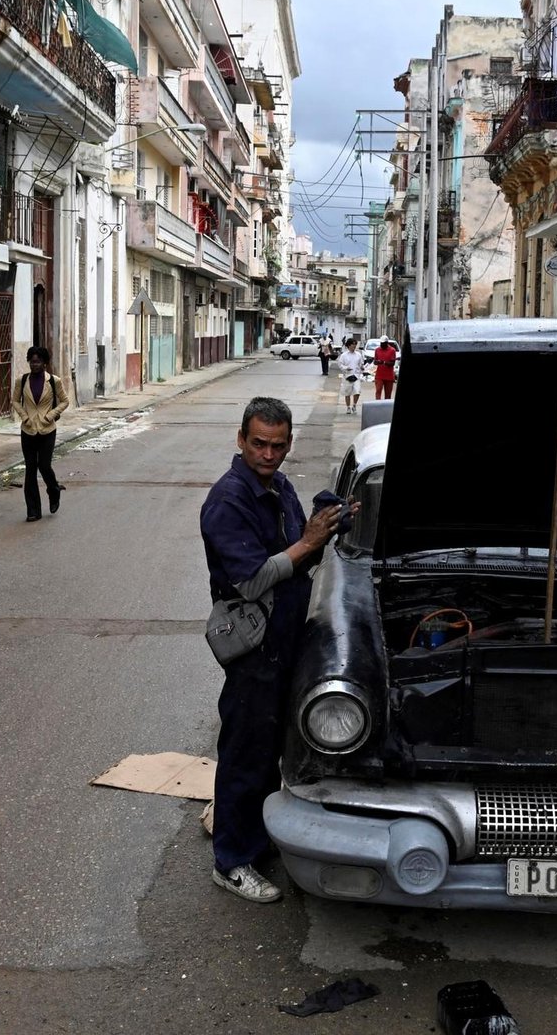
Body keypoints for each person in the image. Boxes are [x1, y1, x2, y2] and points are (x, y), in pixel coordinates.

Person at [199, 397, 344, 903]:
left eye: (278, 446)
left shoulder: (278, 487)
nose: (268, 454)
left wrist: (327, 525)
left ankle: (256, 839)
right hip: (253, 644)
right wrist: (308, 543)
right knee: (245, 752)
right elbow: (252, 579)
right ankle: (231, 861)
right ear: (241, 439)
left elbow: (300, 552)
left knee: (270, 749)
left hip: (285, 637)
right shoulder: (228, 500)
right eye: (259, 444)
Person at [12, 346, 68, 522]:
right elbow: (15, 401)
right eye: (32, 361)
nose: (34, 365)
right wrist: (24, 417)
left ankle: (54, 490)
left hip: (47, 430)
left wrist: (51, 415)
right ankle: (33, 510)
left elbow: (65, 401)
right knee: (30, 469)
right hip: (28, 430)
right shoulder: (22, 380)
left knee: (44, 465)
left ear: (44, 363)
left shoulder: (54, 381)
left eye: (37, 362)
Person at [335, 336, 364, 415]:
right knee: (347, 392)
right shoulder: (344, 355)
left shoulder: (358, 354)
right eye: (352, 344)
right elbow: (340, 364)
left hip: (356, 375)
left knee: (357, 391)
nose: (354, 346)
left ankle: (354, 405)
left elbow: (361, 364)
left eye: (355, 344)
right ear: (348, 345)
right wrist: (346, 368)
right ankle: (348, 407)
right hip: (347, 376)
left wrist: (362, 367)